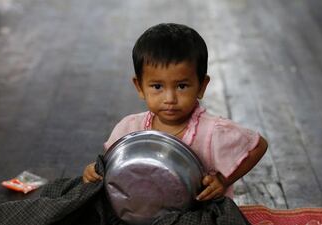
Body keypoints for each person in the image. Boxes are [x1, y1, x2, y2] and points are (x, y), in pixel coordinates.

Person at [83, 23, 268, 201]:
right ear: (139, 87)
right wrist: (93, 172)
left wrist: (223, 180)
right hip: (142, 212)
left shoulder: (213, 131)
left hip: (198, 214)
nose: (170, 98)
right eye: (157, 86)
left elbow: (258, 146)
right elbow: (111, 165)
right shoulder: (130, 128)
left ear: (201, 86)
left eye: (181, 86)